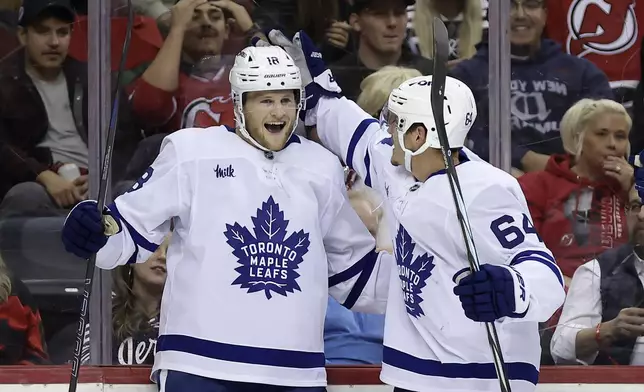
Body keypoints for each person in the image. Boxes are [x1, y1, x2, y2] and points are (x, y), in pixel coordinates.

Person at [60, 45, 392, 391]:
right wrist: (95, 232)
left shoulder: (321, 167)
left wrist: (427, 286)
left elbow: (353, 271)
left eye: (286, 99)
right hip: (199, 364)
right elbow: (129, 228)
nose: (278, 111)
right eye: (265, 100)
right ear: (239, 103)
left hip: (294, 370)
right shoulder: (190, 152)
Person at [259, 30, 565, 392]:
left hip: (477, 379)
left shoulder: (485, 190)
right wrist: (320, 91)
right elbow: (358, 134)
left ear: (418, 135)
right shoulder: (404, 168)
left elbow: (541, 268)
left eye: (394, 120)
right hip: (415, 375)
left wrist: (512, 289)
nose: (386, 127)